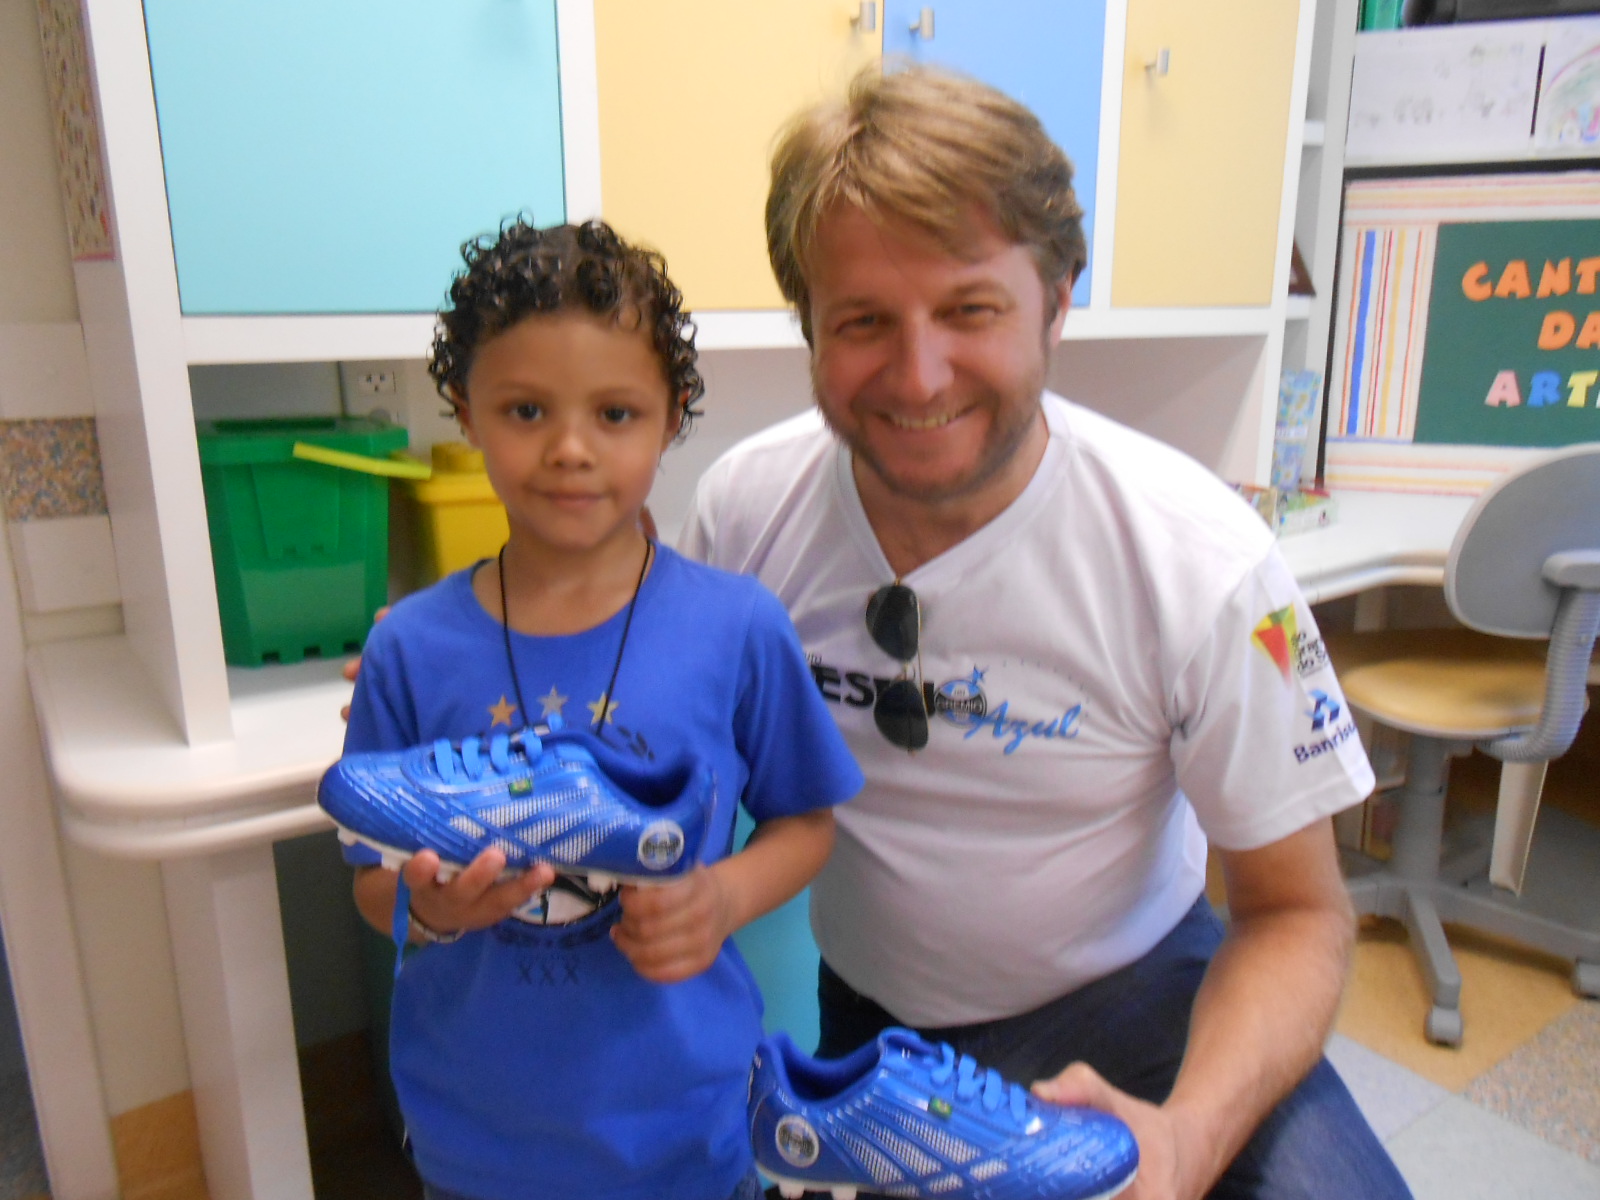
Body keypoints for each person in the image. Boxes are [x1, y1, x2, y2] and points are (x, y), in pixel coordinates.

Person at [679, 68, 1412, 1200]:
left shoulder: (1199, 560)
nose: (918, 378)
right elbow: (656, 738)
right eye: (862, 321)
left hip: (1146, 1006)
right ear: (808, 327)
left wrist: (1185, 1141)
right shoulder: (744, 513)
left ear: (1057, 298)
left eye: (970, 310)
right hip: (875, 1031)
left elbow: (1299, 916)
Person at [340, 218, 863, 1200]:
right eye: (527, 409)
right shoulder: (405, 649)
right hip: (476, 1137)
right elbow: (372, 885)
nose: (571, 450)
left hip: (686, 1130)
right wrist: (436, 911)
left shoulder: (737, 627)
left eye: (616, 414)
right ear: (466, 411)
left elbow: (807, 823)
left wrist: (722, 900)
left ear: (671, 418)